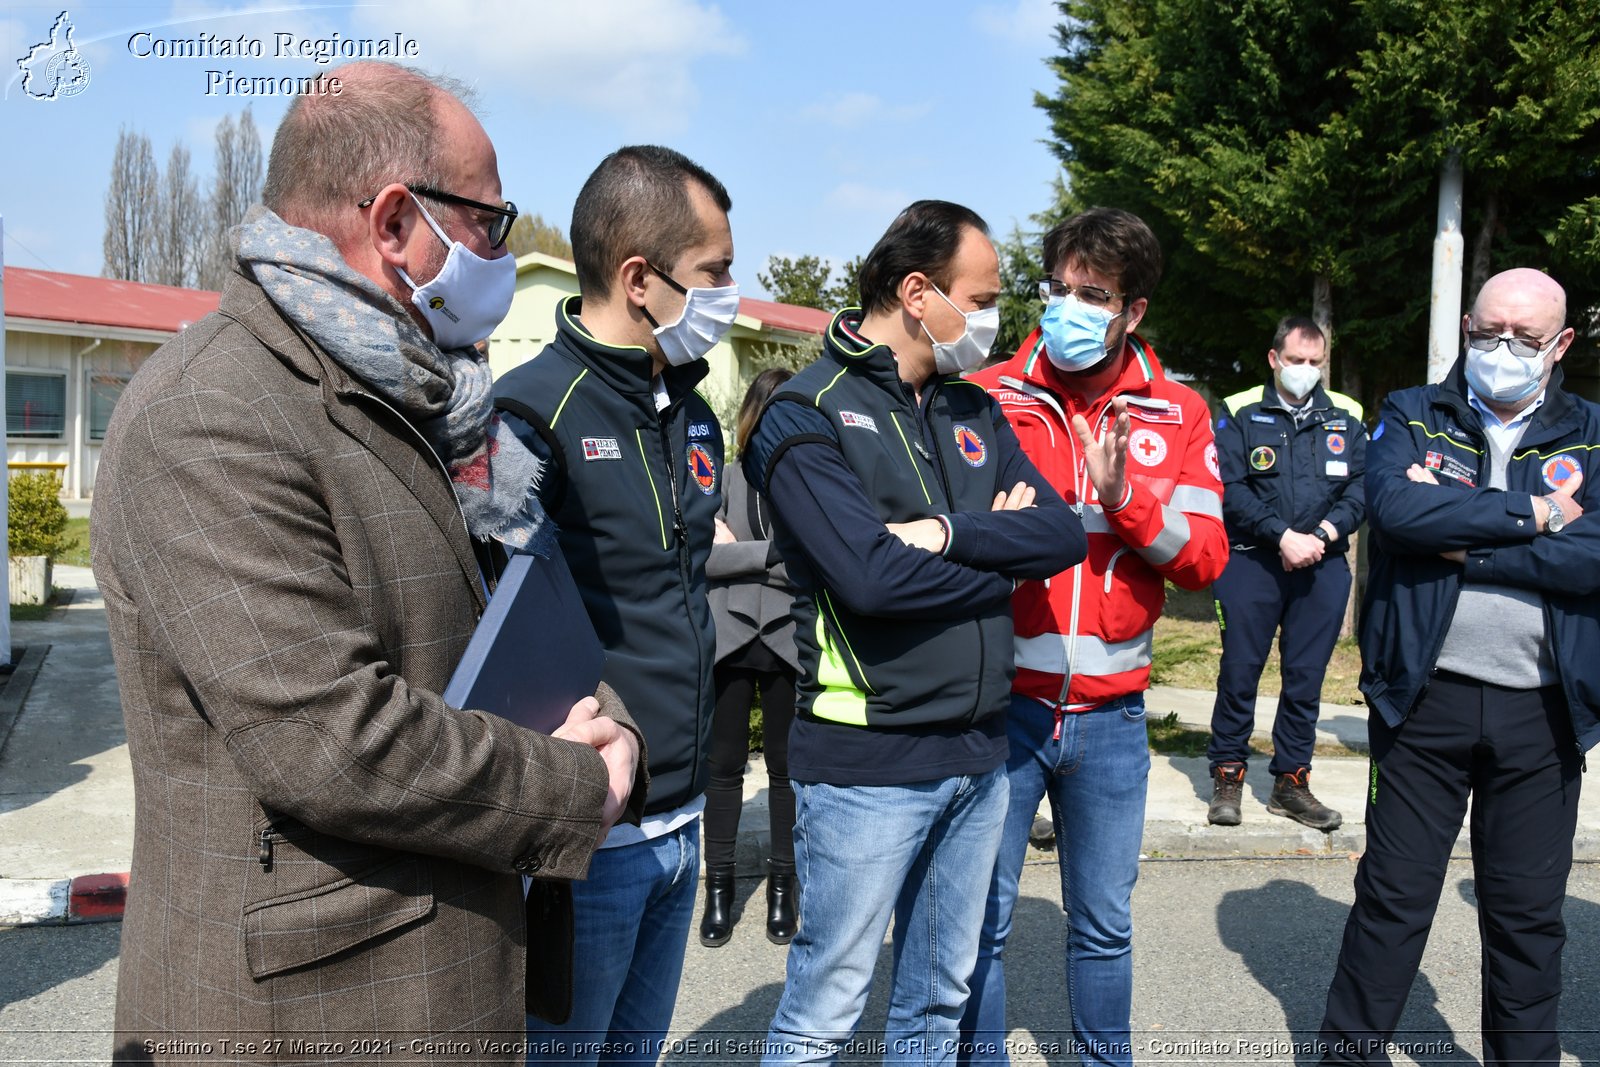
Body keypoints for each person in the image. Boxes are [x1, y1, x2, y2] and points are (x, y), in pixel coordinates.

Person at [93, 62, 643, 1064]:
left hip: (446, 967)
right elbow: (335, 741)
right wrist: (573, 783)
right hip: (311, 1014)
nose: (502, 252)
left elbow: (498, 626)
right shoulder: (213, 415)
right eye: (488, 220)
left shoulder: (428, 400)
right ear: (395, 222)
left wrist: (599, 714)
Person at [745, 199, 1083, 1065]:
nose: (992, 318)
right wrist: (1000, 554)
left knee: (936, 1005)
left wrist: (946, 534)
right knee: (826, 1008)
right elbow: (867, 576)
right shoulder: (806, 410)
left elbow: (1063, 533)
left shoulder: (973, 408)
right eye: (983, 296)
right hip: (870, 766)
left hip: (977, 755)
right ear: (918, 292)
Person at [961, 207, 1229, 1067]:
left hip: (1114, 721)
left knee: (1105, 927)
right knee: (981, 923)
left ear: (1134, 311)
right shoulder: (988, 394)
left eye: (1095, 295)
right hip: (1004, 710)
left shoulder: (1178, 410)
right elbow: (950, 539)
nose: (1070, 307)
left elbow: (1205, 562)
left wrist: (1128, 502)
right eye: (1061, 288)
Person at [1319, 268, 1599, 1067]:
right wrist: (1539, 518)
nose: (1502, 349)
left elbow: (1596, 559)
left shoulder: (1594, 432)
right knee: (1393, 900)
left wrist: (1463, 539)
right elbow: (1397, 513)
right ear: (1466, 326)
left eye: (1525, 337)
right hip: (1422, 699)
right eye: (1488, 332)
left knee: (1526, 915)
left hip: (1545, 712)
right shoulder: (1415, 412)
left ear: (1561, 345)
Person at [492, 145, 731, 1064]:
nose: (728, 294)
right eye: (714, 273)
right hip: (594, 837)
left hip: (684, 821)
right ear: (641, 278)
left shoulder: (691, 411)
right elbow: (501, 631)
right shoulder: (530, 414)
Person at [1206, 316, 1366, 830]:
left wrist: (1319, 536)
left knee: (1305, 679)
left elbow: (1361, 489)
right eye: (1296, 360)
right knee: (1240, 671)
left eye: (1315, 362)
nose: (1306, 371)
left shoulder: (1347, 415)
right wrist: (1281, 534)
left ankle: (1291, 782)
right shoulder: (1238, 411)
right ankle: (1228, 774)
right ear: (1274, 359)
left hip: (1322, 563)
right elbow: (1229, 488)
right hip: (1252, 559)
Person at [700, 368, 801, 948]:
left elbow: (812, 559)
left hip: (789, 639)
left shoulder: (810, 479)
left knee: (788, 771)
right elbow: (701, 559)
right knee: (724, 770)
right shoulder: (722, 477)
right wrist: (771, 557)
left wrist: (740, 552)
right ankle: (720, 890)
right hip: (731, 639)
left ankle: (783, 891)